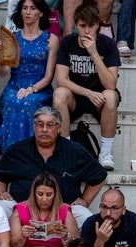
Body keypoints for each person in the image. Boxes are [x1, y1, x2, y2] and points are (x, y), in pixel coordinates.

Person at [0, 106, 106, 227]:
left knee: (87, 219)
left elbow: (99, 176)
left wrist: (85, 201)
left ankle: (76, 246)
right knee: (1, 208)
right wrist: (1, 193)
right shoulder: (17, 150)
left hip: (64, 211)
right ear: (34, 127)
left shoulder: (75, 151)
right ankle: (5, 245)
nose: (44, 129)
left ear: (59, 128)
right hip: (23, 210)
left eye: (50, 125)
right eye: (40, 124)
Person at [54, 3, 121, 171]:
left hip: (101, 98)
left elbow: (111, 83)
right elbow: (61, 80)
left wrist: (94, 53)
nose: (87, 31)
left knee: (111, 95)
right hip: (78, 95)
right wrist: (88, 93)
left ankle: (106, 153)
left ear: (98, 25)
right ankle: (65, 149)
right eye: (82, 26)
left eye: (91, 26)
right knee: (59, 93)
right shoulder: (68, 43)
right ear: (76, 25)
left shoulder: (107, 44)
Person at [0, 0, 59, 156]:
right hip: (14, 86)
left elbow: (49, 76)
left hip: (40, 88)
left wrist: (31, 89)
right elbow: (3, 72)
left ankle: (29, 154)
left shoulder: (51, 39)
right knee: (14, 100)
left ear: (40, 12)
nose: (28, 12)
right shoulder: (12, 38)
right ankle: (11, 154)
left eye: (32, 8)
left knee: (28, 102)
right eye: (25, 8)